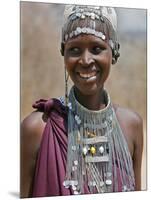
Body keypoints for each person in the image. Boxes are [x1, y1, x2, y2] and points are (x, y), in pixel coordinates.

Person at [21, 4, 143, 198]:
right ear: (64, 54)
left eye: (97, 49)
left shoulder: (131, 126)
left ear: (114, 53)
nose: (85, 60)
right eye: (75, 49)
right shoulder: (37, 129)